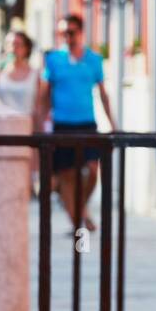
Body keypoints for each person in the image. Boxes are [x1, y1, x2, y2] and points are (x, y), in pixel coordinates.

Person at [36, 13, 117, 231]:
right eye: (62, 33)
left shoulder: (94, 59)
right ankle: (79, 223)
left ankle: (79, 209)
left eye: (70, 32)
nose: (66, 37)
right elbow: (44, 95)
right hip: (62, 124)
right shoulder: (53, 60)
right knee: (68, 176)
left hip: (87, 123)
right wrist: (39, 124)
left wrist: (113, 124)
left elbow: (103, 94)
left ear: (80, 33)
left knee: (92, 171)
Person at [0, 29, 40, 118]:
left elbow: (39, 107)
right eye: (9, 44)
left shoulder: (35, 74)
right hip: (2, 125)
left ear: (26, 48)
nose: (13, 48)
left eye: (17, 45)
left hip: (25, 126)